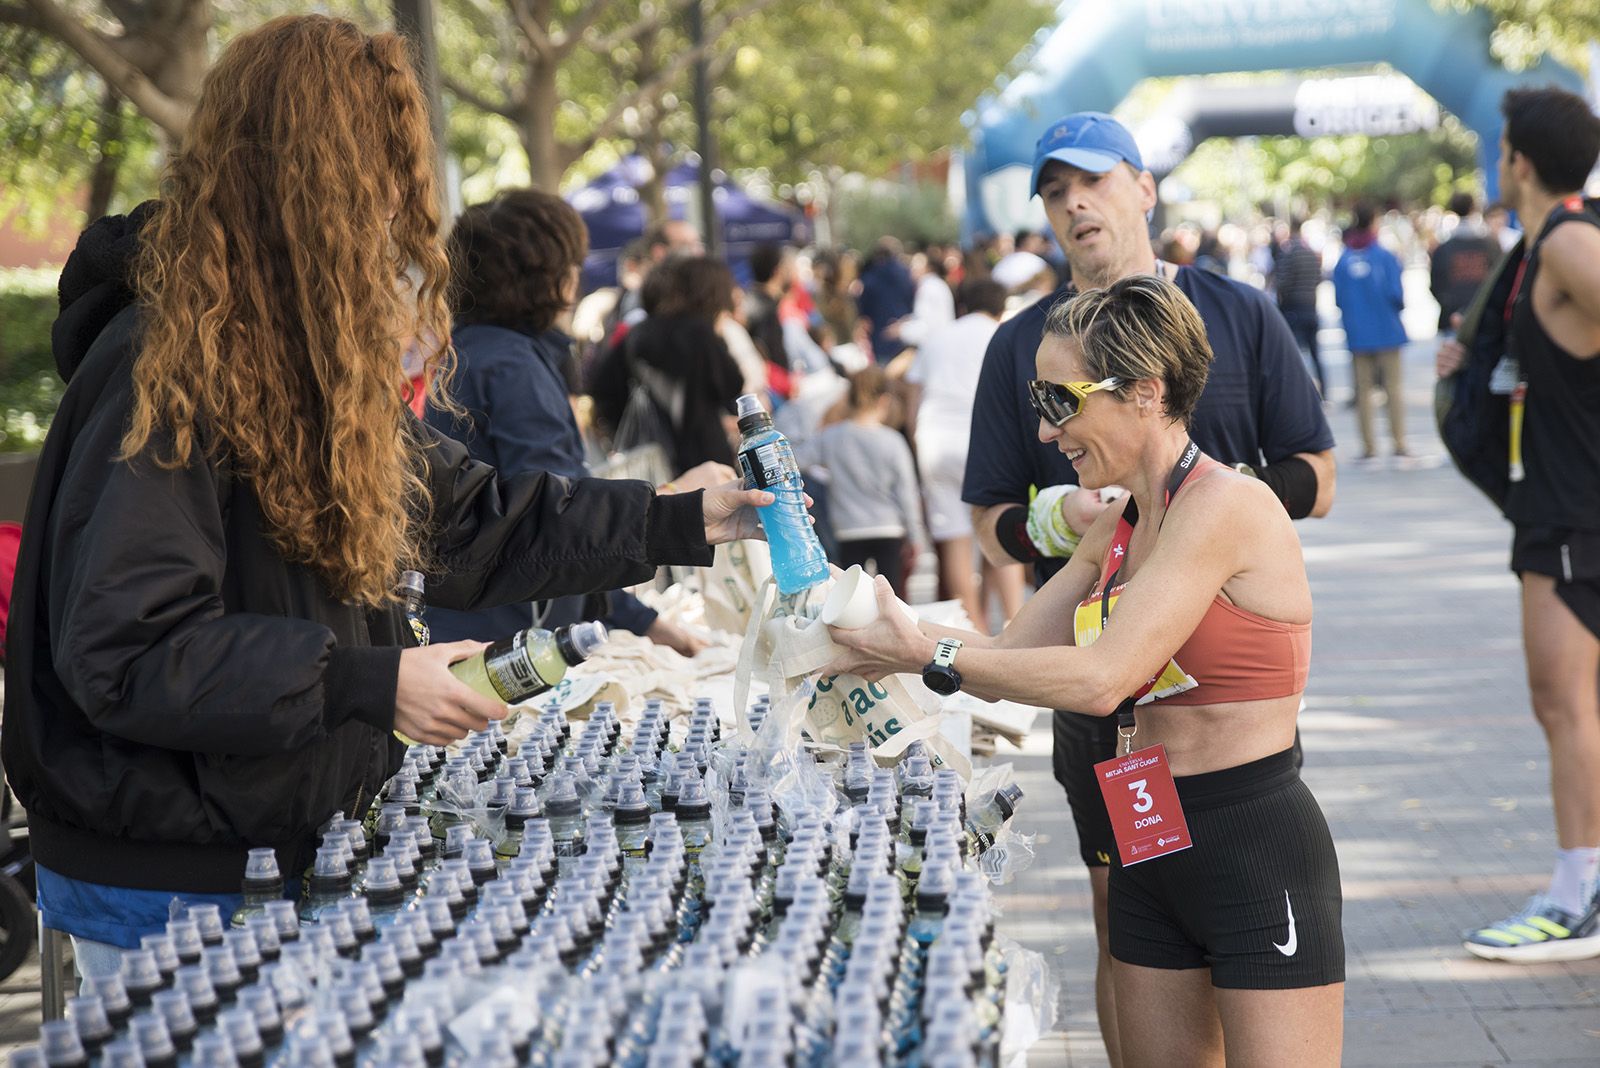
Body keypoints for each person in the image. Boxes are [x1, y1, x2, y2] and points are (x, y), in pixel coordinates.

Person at [0, 15, 771, 970]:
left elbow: (466, 520)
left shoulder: (294, 357)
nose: (393, 232)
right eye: (379, 195)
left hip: (264, 846)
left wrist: (674, 519)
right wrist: (367, 682)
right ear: (312, 188)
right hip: (175, 877)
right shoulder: (167, 364)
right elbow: (133, 646)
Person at [834, 276, 1342, 1066]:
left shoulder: (1226, 507)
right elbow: (1004, 661)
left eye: (1059, 400)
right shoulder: (1119, 518)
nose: (1043, 429)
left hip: (1247, 840)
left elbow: (1103, 677)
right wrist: (868, 627)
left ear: (1145, 392)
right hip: (1144, 826)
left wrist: (922, 651)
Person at [961, 111, 1336, 1067]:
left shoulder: (1237, 312)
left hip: (1208, 675)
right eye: (1052, 190)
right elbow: (989, 518)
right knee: (1123, 909)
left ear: (1143, 186)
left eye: (1091, 179)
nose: (1073, 203)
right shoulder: (1022, 346)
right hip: (1100, 682)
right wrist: (1073, 524)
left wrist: (1195, 510)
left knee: (1232, 920)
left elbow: (1319, 474)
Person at [1439, 87, 1600, 962]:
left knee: (1563, 704)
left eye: (1501, 150)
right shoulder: (1545, 248)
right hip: (1564, 505)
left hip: (1572, 513)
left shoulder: (1569, 240)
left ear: (1519, 162)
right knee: (1578, 706)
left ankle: (1578, 896)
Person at [422, 189, 717, 657]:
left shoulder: (474, 351)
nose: (577, 278)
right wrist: (675, 499)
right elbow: (557, 517)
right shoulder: (512, 366)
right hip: (508, 634)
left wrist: (645, 622)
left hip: (485, 619)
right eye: (572, 263)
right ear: (547, 277)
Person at [906, 278, 1023, 629]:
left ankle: (974, 632)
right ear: (1000, 307)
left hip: (935, 441)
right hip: (984, 440)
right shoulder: (1003, 335)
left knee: (955, 540)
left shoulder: (937, 338)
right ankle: (1017, 623)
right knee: (1001, 528)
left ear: (963, 306)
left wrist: (917, 445)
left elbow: (914, 399)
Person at [589, 255, 747, 471]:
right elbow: (732, 384)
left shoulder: (636, 334)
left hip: (654, 460)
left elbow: (601, 388)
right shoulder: (699, 333)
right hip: (704, 455)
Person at [799, 366, 926, 595]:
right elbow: (907, 492)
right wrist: (916, 535)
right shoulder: (893, 441)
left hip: (848, 529)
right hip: (889, 528)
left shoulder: (830, 437)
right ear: (884, 400)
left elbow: (797, 460)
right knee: (892, 598)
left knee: (851, 598)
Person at [1332, 202, 1409, 461]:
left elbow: (1338, 299)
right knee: (1393, 389)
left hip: (1358, 334)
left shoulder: (1343, 260)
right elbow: (1396, 294)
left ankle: (1369, 446)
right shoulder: (1384, 257)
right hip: (1387, 331)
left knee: (1363, 391)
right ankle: (1398, 441)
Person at [1429, 192, 1501, 340]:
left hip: (1452, 318)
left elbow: (1436, 284)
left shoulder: (1444, 248)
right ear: (1473, 208)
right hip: (1484, 319)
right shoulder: (1490, 244)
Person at [1272, 217, 1327, 396]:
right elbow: (1319, 278)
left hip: (1293, 309)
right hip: (1311, 307)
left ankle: (1301, 394)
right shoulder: (1310, 252)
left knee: (1294, 356)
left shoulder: (1288, 252)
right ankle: (1324, 392)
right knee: (1315, 353)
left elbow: (1282, 282)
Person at [857, 238, 916, 364]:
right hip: (905, 333)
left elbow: (863, 306)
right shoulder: (907, 275)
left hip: (880, 335)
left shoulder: (870, 276)